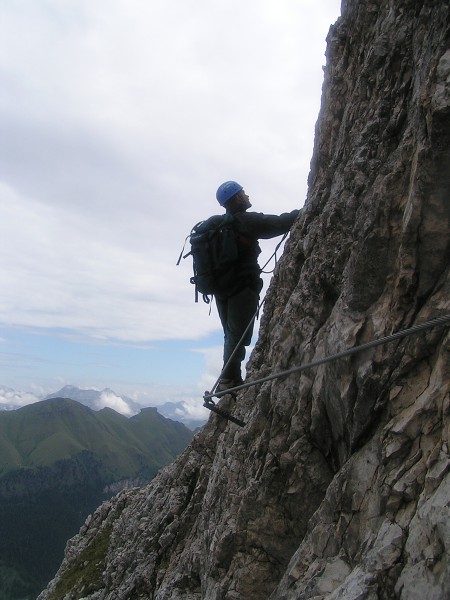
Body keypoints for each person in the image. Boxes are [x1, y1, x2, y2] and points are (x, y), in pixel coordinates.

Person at [214, 180, 300, 392]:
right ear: (237, 198)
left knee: (230, 334)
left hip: (221, 288)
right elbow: (278, 223)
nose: (247, 195)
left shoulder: (220, 226)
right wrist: (310, 207)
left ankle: (229, 378)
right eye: (243, 192)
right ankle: (229, 380)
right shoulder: (245, 221)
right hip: (241, 287)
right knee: (238, 334)